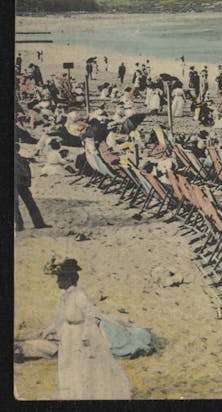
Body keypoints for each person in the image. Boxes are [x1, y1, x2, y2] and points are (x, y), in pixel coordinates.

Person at [41, 258, 132, 399]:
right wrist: (50, 328)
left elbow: (92, 316)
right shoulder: (64, 296)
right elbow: (61, 316)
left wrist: (86, 335)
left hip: (80, 335)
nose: (57, 281)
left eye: (60, 278)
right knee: (68, 366)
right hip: (68, 335)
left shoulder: (79, 295)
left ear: (69, 279)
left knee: (83, 367)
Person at [15, 143, 50, 231]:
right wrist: (27, 182)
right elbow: (27, 171)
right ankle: (38, 223)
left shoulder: (21, 159)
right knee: (30, 203)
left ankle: (20, 226)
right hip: (22, 183)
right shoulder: (21, 159)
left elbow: (25, 171)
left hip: (19, 183)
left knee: (16, 205)